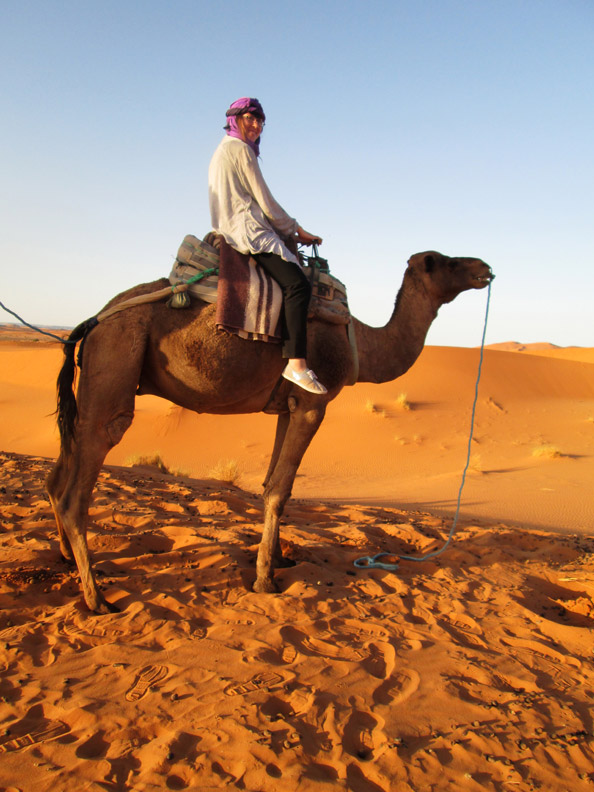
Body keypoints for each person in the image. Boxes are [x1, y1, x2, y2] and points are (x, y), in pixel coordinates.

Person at [208, 97, 327, 395]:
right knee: (298, 284)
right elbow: (266, 201)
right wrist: (295, 229)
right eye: (250, 118)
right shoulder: (240, 150)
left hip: (231, 227)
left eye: (260, 121)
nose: (256, 125)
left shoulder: (222, 150)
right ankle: (296, 364)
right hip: (249, 232)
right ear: (235, 119)